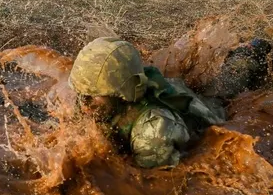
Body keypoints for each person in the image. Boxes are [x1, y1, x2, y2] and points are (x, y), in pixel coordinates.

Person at [68, 37, 224, 169]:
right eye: (81, 93)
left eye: (93, 95)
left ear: (121, 94)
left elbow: (155, 185)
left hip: (214, 106)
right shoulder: (93, 102)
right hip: (177, 89)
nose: (83, 102)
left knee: (233, 78)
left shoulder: (153, 131)